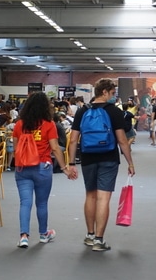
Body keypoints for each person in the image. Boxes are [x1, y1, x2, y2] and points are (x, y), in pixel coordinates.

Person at [66, 78, 135, 252]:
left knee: (90, 196)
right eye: (112, 93)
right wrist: (130, 162)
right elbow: (122, 140)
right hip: (109, 158)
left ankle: (89, 236)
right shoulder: (114, 112)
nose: (114, 97)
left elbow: (73, 140)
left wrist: (71, 163)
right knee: (104, 198)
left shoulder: (82, 111)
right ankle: (99, 239)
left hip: (88, 157)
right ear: (104, 92)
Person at [12, 91, 74, 248]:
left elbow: (15, 147)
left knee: (25, 203)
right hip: (42, 167)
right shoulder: (48, 124)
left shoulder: (19, 124)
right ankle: (43, 234)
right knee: (42, 203)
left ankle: (24, 236)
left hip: (22, 168)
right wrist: (65, 168)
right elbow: (55, 148)